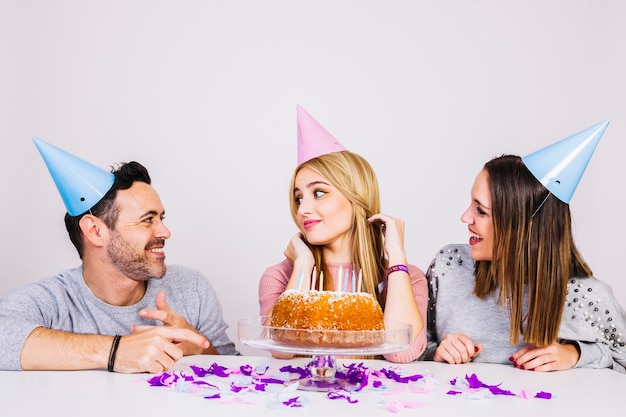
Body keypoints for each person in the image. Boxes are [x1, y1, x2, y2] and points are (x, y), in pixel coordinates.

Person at [0, 138, 238, 373]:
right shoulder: (53, 300)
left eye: (161, 218)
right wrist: (116, 351)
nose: (165, 232)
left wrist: (199, 349)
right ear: (95, 231)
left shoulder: (191, 288)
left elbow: (233, 372)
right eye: (147, 220)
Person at [420, 120, 626, 373]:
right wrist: (436, 351)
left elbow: (621, 361)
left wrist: (576, 353)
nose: (465, 217)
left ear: (524, 229)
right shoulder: (449, 264)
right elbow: (416, 345)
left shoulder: (584, 295)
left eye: (481, 211)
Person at [258, 105, 426, 363]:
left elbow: (401, 353)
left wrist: (396, 256)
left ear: (356, 198)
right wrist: (303, 265)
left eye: (319, 192)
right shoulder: (280, 277)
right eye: (298, 197)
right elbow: (281, 347)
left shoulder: (406, 278)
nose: (303, 209)